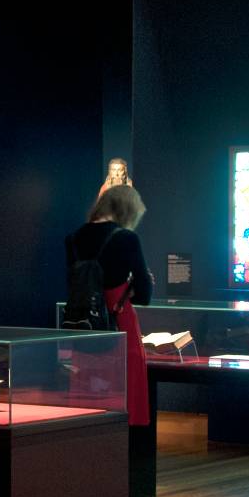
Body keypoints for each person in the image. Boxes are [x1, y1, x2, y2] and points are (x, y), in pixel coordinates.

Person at [67, 181, 152, 435]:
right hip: (118, 319)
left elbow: (74, 284)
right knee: (123, 388)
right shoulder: (126, 238)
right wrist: (133, 287)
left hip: (83, 323)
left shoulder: (73, 239)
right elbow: (145, 294)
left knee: (88, 389)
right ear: (127, 210)